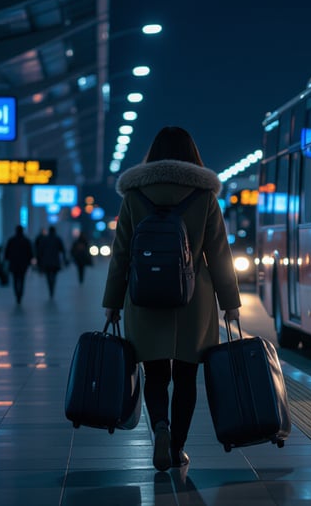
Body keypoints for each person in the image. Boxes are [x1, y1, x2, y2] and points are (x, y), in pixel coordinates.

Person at [102, 125, 241, 472]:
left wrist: (112, 302)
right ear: (192, 155)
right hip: (194, 302)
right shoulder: (204, 196)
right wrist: (230, 303)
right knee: (185, 378)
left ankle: (160, 427)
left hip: (145, 298)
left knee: (155, 375)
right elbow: (219, 254)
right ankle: (177, 447)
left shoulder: (134, 195)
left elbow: (121, 255)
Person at [3, 225, 34, 304]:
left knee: (15, 279)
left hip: (14, 263)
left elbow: (7, 252)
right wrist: (30, 262)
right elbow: (30, 253)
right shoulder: (26, 241)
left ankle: (17, 294)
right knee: (22, 279)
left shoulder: (11, 240)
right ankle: (20, 295)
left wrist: (7, 260)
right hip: (23, 264)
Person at [35, 225, 67, 298]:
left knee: (48, 276)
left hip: (46, 261)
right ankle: (52, 289)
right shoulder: (57, 239)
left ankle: (50, 289)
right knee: (54, 276)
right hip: (55, 261)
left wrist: (39, 261)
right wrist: (65, 260)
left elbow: (40, 251)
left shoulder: (45, 239)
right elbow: (63, 250)